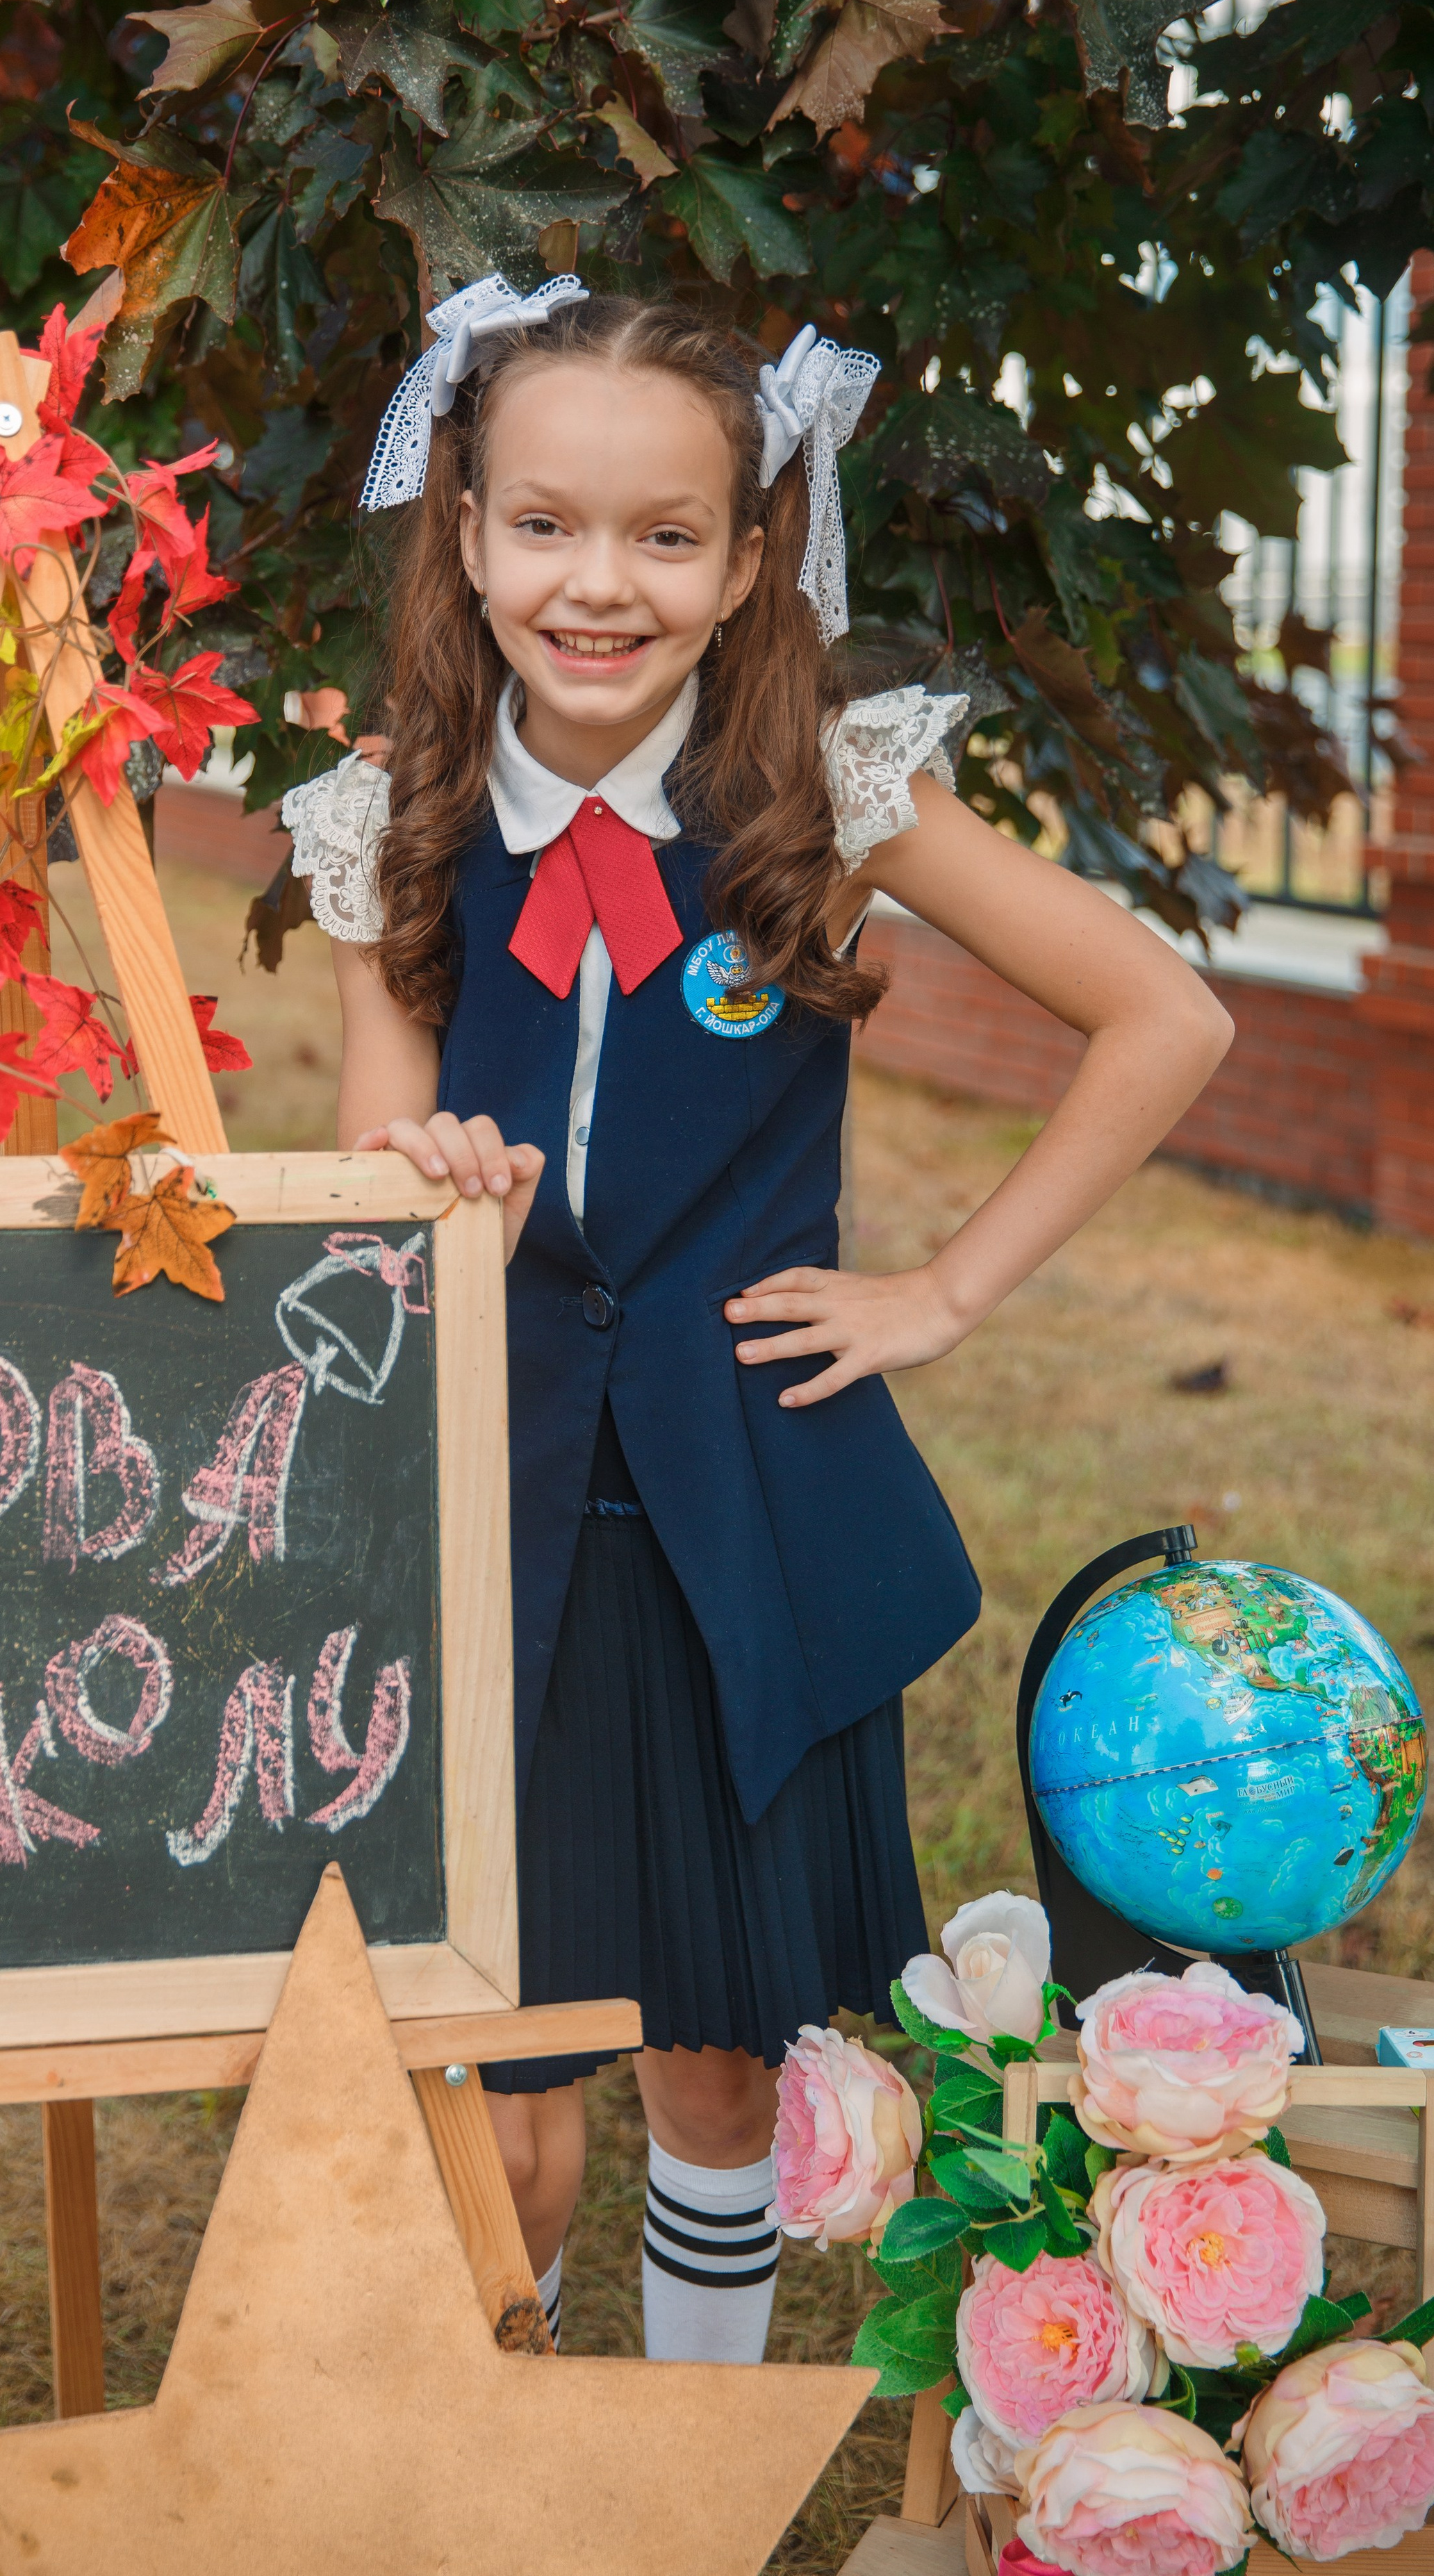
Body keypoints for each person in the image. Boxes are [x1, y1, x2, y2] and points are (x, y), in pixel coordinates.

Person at [283, 281, 1233, 2365]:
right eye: (543, 525)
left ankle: (691, 2471)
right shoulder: (395, 824)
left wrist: (947, 1289)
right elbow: (370, 1174)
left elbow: (1166, 1016)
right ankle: (510, 2471)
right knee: (506, 2071)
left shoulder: (829, 793)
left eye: (661, 536)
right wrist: (419, 1177)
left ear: (746, 559)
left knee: (720, 2065)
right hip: (494, 1526)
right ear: (463, 532)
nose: (596, 585)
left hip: (748, 1523)